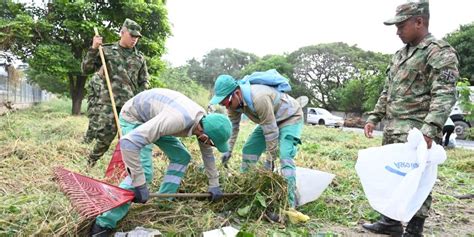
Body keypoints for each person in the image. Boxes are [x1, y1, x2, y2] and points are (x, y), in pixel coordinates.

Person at [362, 1, 459, 236]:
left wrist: (431, 128)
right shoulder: (400, 55)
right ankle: (390, 221)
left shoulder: (439, 51)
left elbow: (445, 93)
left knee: (417, 177)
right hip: (394, 128)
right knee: (393, 174)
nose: (397, 31)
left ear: (419, 22)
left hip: (418, 132)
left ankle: (415, 228)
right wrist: (374, 117)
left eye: (401, 26)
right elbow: (388, 90)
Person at [90, 88, 232, 236]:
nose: (211, 146)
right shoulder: (178, 120)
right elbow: (128, 143)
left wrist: (214, 185)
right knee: (144, 173)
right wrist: (139, 184)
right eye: (212, 143)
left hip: (157, 119)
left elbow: (208, 156)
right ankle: (103, 223)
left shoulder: (205, 124)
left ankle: (163, 202)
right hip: (135, 117)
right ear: (204, 133)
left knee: (182, 156)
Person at [209, 74, 304, 210]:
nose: (226, 106)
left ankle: (289, 203)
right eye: (222, 104)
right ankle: (247, 188)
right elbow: (233, 128)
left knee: (285, 156)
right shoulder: (233, 105)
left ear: (236, 93)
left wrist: (270, 159)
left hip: (290, 118)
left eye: (227, 102)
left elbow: (271, 132)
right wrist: (228, 150)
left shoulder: (259, 98)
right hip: (269, 120)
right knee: (249, 149)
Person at [82, 18, 149, 166]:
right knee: (104, 138)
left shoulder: (139, 58)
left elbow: (144, 81)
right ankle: (89, 164)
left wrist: (140, 98)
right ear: (122, 33)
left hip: (130, 106)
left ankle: (127, 169)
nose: (134, 40)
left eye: (137, 37)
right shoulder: (106, 50)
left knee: (130, 140)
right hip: (109, 103)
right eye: (132, 36)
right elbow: (86, 69)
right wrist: (93, 48)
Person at [83, 74, 102, 143]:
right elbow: (99, 91)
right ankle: (88, 141)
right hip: (95, 106)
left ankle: (90, 140)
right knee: (93, 125)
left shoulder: (101, 79)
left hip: (99, 106)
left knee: (97, 124)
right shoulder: (96, 78)